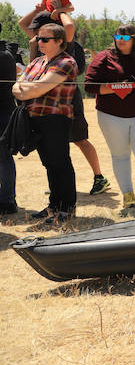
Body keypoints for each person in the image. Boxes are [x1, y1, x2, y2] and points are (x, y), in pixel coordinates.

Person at [19, 4, 110, 196]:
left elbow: (68, 28)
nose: (36, 35)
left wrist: (61, 11)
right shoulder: (40, 44)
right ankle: (57, 188)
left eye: (42, 34)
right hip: (42, 104)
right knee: (51, 149)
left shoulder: (64, 43)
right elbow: (22, 23)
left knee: (79, 139)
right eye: (37, 33)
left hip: (65, 100)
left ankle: (99, 176)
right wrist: (37, 9)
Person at [84, 24, 135, 207]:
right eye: (117, 37)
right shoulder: (104, 57)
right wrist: (114, 87)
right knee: (120, 155)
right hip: (111, 115)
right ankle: (128, 195)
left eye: (125, 38)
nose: (120, 41)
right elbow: (89, 86)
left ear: (134, 39)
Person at [12, 23, 78, 224]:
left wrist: (25, 89)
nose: (39, 42)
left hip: (55, 119)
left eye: (45, 39)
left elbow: (38, 89)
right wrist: (25, 88)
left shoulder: (66, 62)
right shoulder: (37, 61)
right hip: (35, 118)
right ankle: (54, 206)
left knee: (60, 163)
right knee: (49, 164)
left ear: (59, 41)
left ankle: (67, 208)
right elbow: (16, 86)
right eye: (38, 38)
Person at [0, 38, 18, 214]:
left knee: (4, 159)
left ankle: (7, 200)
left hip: (3, 113)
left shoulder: (4, 56)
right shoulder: (6, 54)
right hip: (5, 112)